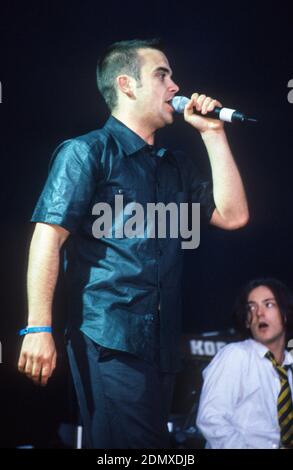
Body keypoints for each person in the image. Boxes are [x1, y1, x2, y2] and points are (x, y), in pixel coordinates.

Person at [17, 38, 249, 448]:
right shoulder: (86, 153)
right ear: (126, 85)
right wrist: (38, 326)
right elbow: (46, 238)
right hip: (109, 337)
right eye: (162, 75)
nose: (175, 86)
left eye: (173, 75)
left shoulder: (174, 165)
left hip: (162, 344)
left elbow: (233, 216)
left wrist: (213, 133)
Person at [196, 278, 293, 449]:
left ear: (285, 314)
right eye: (251, 307)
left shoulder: (289, 368)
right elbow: (211, 419)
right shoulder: (235, 356)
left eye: (268, 305)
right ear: (247, 321)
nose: (259, 313)